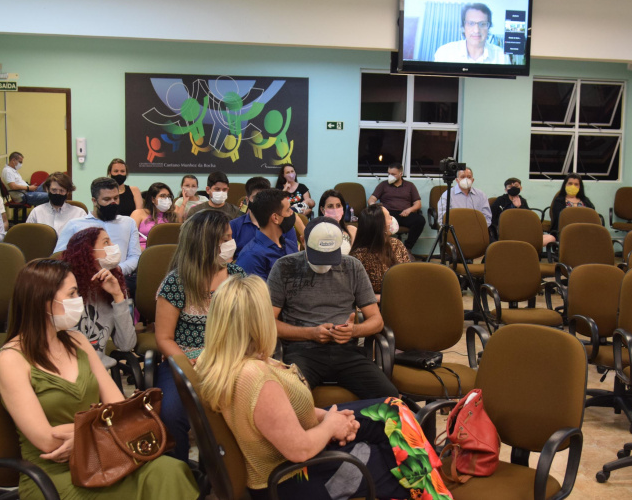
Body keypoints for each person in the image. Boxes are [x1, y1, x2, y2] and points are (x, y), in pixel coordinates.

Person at [195, 275, 451, 500]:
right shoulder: (255, 377)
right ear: (257, 322)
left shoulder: (218, 358)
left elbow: (276, 416)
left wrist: (331, 418)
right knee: (403, 462)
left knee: (393, 408)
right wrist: (331, 426)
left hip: (296, 454)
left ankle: (433, 486)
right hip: (292, 480)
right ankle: (434, 489)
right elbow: (300, 449)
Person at [0, 259, 198, 499]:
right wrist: (101, 429)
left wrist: (85, 435)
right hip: (55, 476)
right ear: (43, 300)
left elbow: (119, 409)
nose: (78, 301)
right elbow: (48, 441)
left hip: (106, 457)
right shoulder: (11, 359)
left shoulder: (77, 341)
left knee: (170, 470)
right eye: (72, 294)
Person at [269, 217, 400, 401]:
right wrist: (310, 333)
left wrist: (354, 331)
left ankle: (361, 429)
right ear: (303, 242)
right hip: (302, 352)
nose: (324, 264)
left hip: (345, 351)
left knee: (390, 399)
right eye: (319, 256)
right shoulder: (285, 267)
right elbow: (268, 324)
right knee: (289, 399)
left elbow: (376, 321)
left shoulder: (352, 267)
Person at [154, 209, 245, 460]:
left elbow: (248, 328)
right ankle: (180, 477)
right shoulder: (177, 282)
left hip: (229, 360)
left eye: (230, 237)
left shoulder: (238, 277)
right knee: (170, 413)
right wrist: (189, 365)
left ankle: (230, 470)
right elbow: (164, 338)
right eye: (224, 239)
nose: (231, 244)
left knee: (246, 405)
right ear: (205, 244)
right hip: (184, 361)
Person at [61, 228, 137, 369]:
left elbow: (126, 345)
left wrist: (118, 296)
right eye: (106, 242)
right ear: (88, 251)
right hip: (67, 370)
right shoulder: (65, 291)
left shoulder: (114, 286)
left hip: (99, 371)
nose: (113, 247)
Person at [54, 177, 140, 291]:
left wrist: (118, 269)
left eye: (116, 198)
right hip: (85, 282)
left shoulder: (128, 223)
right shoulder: (75, 225)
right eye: (107, 199)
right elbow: (59, 256)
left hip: (120, 280)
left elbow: (135, 256)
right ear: (94, 201)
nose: (112, 203)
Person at [349, 205, 412, 300]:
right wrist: (385, 298)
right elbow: (355, 294)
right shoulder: (358, 256)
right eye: (389, 217)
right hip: (371, 306)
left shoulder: (396, 245)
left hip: (400, 300)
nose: (392, 220)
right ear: (381, 225)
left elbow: (409, 276)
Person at [236, 189, 298, 280]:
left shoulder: (290, 245)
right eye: (288, 209)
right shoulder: (251, 256)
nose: (292, 213)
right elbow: (258, 293)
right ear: (275, 218)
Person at [230, 177, 299, 259]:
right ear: (247, 200)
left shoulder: (284, 224)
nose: (261, 202)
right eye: (256, 198)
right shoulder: (233, 226)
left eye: (264, 198)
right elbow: (227, 261)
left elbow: (293, 257)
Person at [368, 163, 425, 252]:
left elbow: (418, 204)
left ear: (400, 174)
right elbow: (372, 199)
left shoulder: (410, 186)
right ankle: (382, 250)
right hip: (388, 214)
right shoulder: (383, 185)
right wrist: (373, 206)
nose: (390, 176)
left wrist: (409, 210)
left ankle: (407, 248)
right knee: (376, 221)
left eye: (393, 174)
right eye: (389, 174)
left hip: (404, 214)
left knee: (420, 220)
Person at [433, 2, 509, 65]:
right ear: (463, 27)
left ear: (489, 27)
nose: (476, 30)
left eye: (482, 24)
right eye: (471, 23)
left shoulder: (501, 56)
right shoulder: (444, 52)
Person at [490, 177, 556, 246]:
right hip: (507, 233)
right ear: (506, 190)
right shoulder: (500, 200)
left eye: (516, 186)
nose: (513, 188)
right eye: (510, 186)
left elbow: (529, 219)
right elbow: (493, 218)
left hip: (524, 231)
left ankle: (524, 246)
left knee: (551, 238)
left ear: (520, 188)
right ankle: (523, 246)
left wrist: (519, 207)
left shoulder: (523, 201)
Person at [131, 182, 179, 250]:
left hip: (166, 251)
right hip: (141, 252)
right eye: (162, 196)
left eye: (168, 196)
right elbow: (129, 238)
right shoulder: (138, 213)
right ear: (153, 199)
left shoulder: (173, 216)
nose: (167, 199)